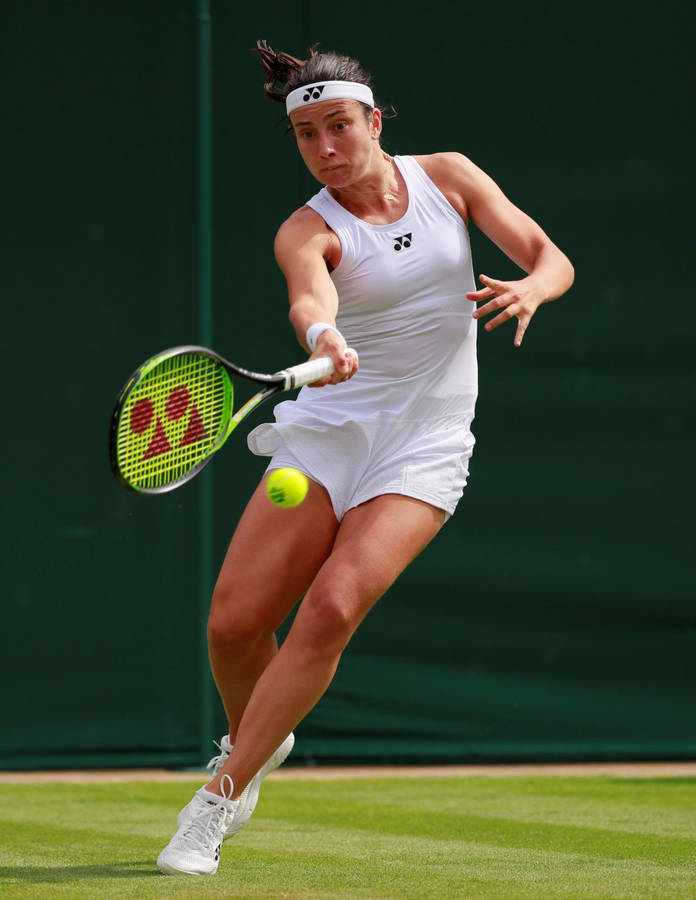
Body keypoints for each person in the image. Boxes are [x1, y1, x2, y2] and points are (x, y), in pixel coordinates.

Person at [157, 39, 574, 876]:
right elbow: (309, 295)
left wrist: (532, 286)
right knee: (233, 627)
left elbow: (548, 254)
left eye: (339, 125)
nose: (326, 148)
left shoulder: (448, 176)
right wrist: (324, 334)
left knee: (334, 605)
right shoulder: (307, 230)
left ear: (374, 120)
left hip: (424, 445)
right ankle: (263, 737)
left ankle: (217, 801)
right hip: (324, 438)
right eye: (307, 135)